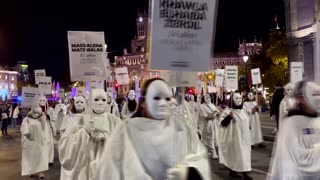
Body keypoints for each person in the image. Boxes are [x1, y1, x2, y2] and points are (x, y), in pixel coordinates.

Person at [96, 78, 211, 180]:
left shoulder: (182, 129)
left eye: (167, 98)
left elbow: (199, 158)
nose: (162, 103)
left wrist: (189, 173)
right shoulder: (124, 131)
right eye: (156, 97)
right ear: (143, 102)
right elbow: (110, 169)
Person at [59, 89, 121, 180]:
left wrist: (106, 138)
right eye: (96, 99)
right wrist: (83, 132)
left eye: (103, 100)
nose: (100, 103)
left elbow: (123, 145)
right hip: (85, 165)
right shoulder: (80, 119)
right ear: (90, 101)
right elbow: (65, 144)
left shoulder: (114, 121)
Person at [268, 81, 320, 180]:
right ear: (301, 99)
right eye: (315, 94)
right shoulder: (291, 124)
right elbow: (300, 160)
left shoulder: (317, 121)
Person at [219, 93, 252, 180]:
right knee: (240, 155)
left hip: (244, 138)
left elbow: (247, 122)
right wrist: (229, 117)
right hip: (235, 138)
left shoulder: (243, 111)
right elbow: (222, 124)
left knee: (242, 154)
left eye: (240, 98)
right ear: (232, 100)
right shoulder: (228, 111)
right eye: (237, 98)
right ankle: (244, 174)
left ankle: (232, 171)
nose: (239, 100)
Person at [21, 106, 48, 179]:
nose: (36, 114)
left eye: (38, 113)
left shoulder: (42, 119)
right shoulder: (26, 119)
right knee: (31, 157)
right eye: (35, 112)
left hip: (39, 141)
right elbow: (23, 130)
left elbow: (45, 129)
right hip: (30, 142)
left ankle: (41, 172)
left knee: (40, 157)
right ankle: (31, 171)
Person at [199, 94, 220, 159]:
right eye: (206, 98)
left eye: (209, 97)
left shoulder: (212, 105)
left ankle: (209, 152)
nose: (208, 99)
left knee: (213, 137)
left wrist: (215, 113)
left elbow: (218, 113)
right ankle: (213, 152)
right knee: (209, 138)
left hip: (214, 124)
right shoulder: (202, 106)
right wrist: (213, 114)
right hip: (207, 125)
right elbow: (206, 117)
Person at [38, 96, 56, 166]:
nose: (42, 102)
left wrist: (48, 116)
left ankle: (49, 159)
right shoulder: (36, 109)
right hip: (39, 129)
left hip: (48, 128)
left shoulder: (50, 109)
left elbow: (54, 118)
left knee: (49, 144)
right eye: (41, 100)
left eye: (43, 100)